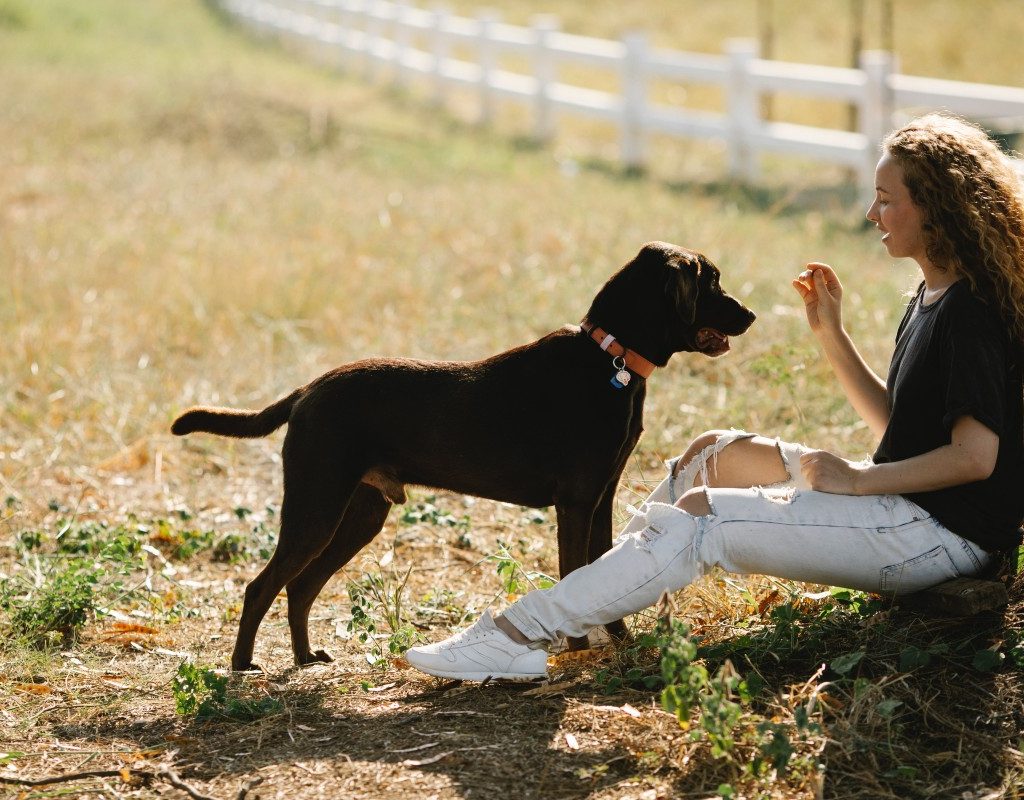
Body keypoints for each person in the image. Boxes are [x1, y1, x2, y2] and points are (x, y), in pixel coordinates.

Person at [405, 114, 1024, 682]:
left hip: (941, 535)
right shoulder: (933, 294)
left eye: (887, 200)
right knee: (711, 453)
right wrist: (830, 336)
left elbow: (975, 458)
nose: (871, 214)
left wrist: (857, 482)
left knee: (706, 514)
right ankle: (602, 609)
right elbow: (904, 424)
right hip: (910, 506)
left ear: (937, 208)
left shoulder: (968, 312)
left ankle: (520, 631)